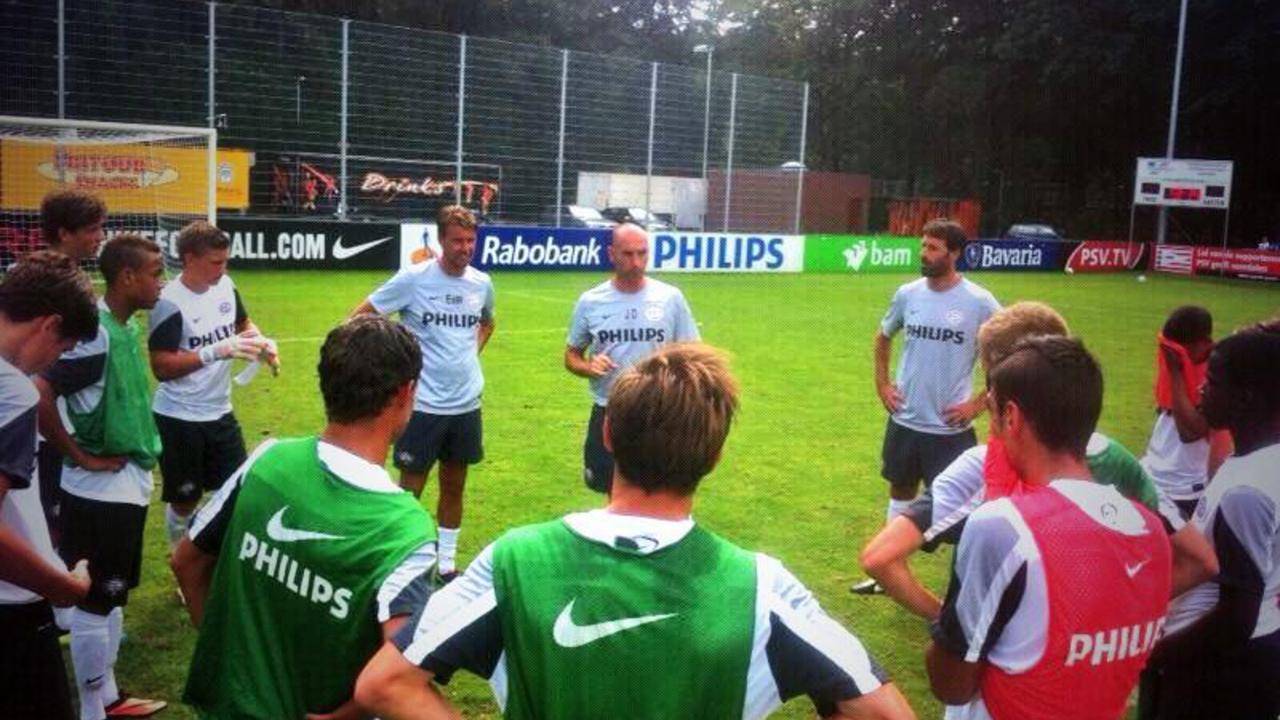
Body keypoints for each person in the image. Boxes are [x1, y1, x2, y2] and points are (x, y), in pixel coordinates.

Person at [353, 344, 917, 720]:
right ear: (715, 456)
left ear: (609, 437)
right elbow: (888, 713)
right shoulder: (762, 587)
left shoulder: (515, 559)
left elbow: (383, 684)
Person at [859, 302, 1216, 621]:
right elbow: (1202, 562)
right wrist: (1115, 612)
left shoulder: (980, 468)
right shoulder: (1119, 461)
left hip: (999, 682)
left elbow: (879, 559)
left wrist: (949, 621)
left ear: (1004, 385)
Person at [173, 315, 437, 719]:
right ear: (405, 392)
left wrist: (230, 658)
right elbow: (399, 677)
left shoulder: (268, 459)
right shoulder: (406, 530)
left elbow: (186, 561)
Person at [925, 336, 1172, 720]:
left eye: (991, 412)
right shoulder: (1152, 531)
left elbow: (951, 685)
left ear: (1012, 417)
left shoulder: (1004, 527)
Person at [35, 235, 168, 720]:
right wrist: (79, 455)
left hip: (120, 484)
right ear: (128, 277)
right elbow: (40, 391)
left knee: (111, 597)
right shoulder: (96, 334)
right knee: (95, 600)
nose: (162, 281)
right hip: (100, 490)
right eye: (155, 272)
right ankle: (94, 708)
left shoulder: (120, 326)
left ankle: (109, 695)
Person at [1140, 319, 1280, 720]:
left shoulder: (1246, 491)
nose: (1202, 388)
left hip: (1218, 671)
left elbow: (1235, 618)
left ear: (1247, 397)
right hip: (1251, 654)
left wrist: (1157, 655)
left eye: (1213, 381)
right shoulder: (1261, 462)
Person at [853, 219, 1000, 594]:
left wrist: (979, 402)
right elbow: (883, 337)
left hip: (950, 429)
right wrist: (883, 384)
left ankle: (966, 587)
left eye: (934, 248)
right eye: (923, 246)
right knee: (900, 491)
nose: (925, 254)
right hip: (906, 420)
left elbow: (1008, 354)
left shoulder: (979, 303)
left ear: (955, 253)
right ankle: (885, 574)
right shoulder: (908, 294)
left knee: (964, 510)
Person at [351, 204, 495, 581]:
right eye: (457, 241)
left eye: (470, 240)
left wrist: (467, 356)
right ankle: (399, 558)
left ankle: (446, 564)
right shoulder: (414, 279)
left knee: (455, 484)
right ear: (440, 241)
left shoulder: (481, 283)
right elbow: (361, 318)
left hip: (466, 404)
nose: (465, 248)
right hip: (423, 406)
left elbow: (487, 323)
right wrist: (393, 365)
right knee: (410, 488)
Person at [0, 252, 97, 720]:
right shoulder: (12, 391)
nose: (52, 363)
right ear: (48, 324)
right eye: (62, 348)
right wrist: (62, 586)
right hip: (13, 609)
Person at [147, 221, 276, 552]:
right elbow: (161, 366)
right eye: (216, 262)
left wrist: (261, 343)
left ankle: (215, 558)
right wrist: (214, 351)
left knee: (233, 492)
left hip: (220, 413)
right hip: (180, 418)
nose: (224, 268)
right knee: (185, 501)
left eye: (225, 261)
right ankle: (181, 560)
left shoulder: (226, 286)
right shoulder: (169, 302)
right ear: (190, 258)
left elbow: (242, 324)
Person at [564, 221, 699, 493]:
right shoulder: (591, 301)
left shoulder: (670, 298)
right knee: (610, 490)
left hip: (658, 411)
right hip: (609, 410)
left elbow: (692, 353)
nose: (637, 262)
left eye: (642, 253)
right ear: (611, 254)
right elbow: (571, 356)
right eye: (628, 254)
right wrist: (588, 366)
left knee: (658, 487)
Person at [36, 188, 109, 545]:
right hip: (39, 434)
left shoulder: (64, 279)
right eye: (92, 229)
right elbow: (38, 386)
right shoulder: (41, 286)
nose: (100, 237)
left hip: (60, 428)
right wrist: (78, 454)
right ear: (64, 233)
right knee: (46, 529)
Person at [1140, 306, 1229, 521]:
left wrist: (1176, 373)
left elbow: (1190, 433)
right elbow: (1166, 413)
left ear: (1203, 342)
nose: (1178, 355)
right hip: (1152, 473)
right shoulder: (1183, 364)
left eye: (1182, 350)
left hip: (1185, 487)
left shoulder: (1220, 374)